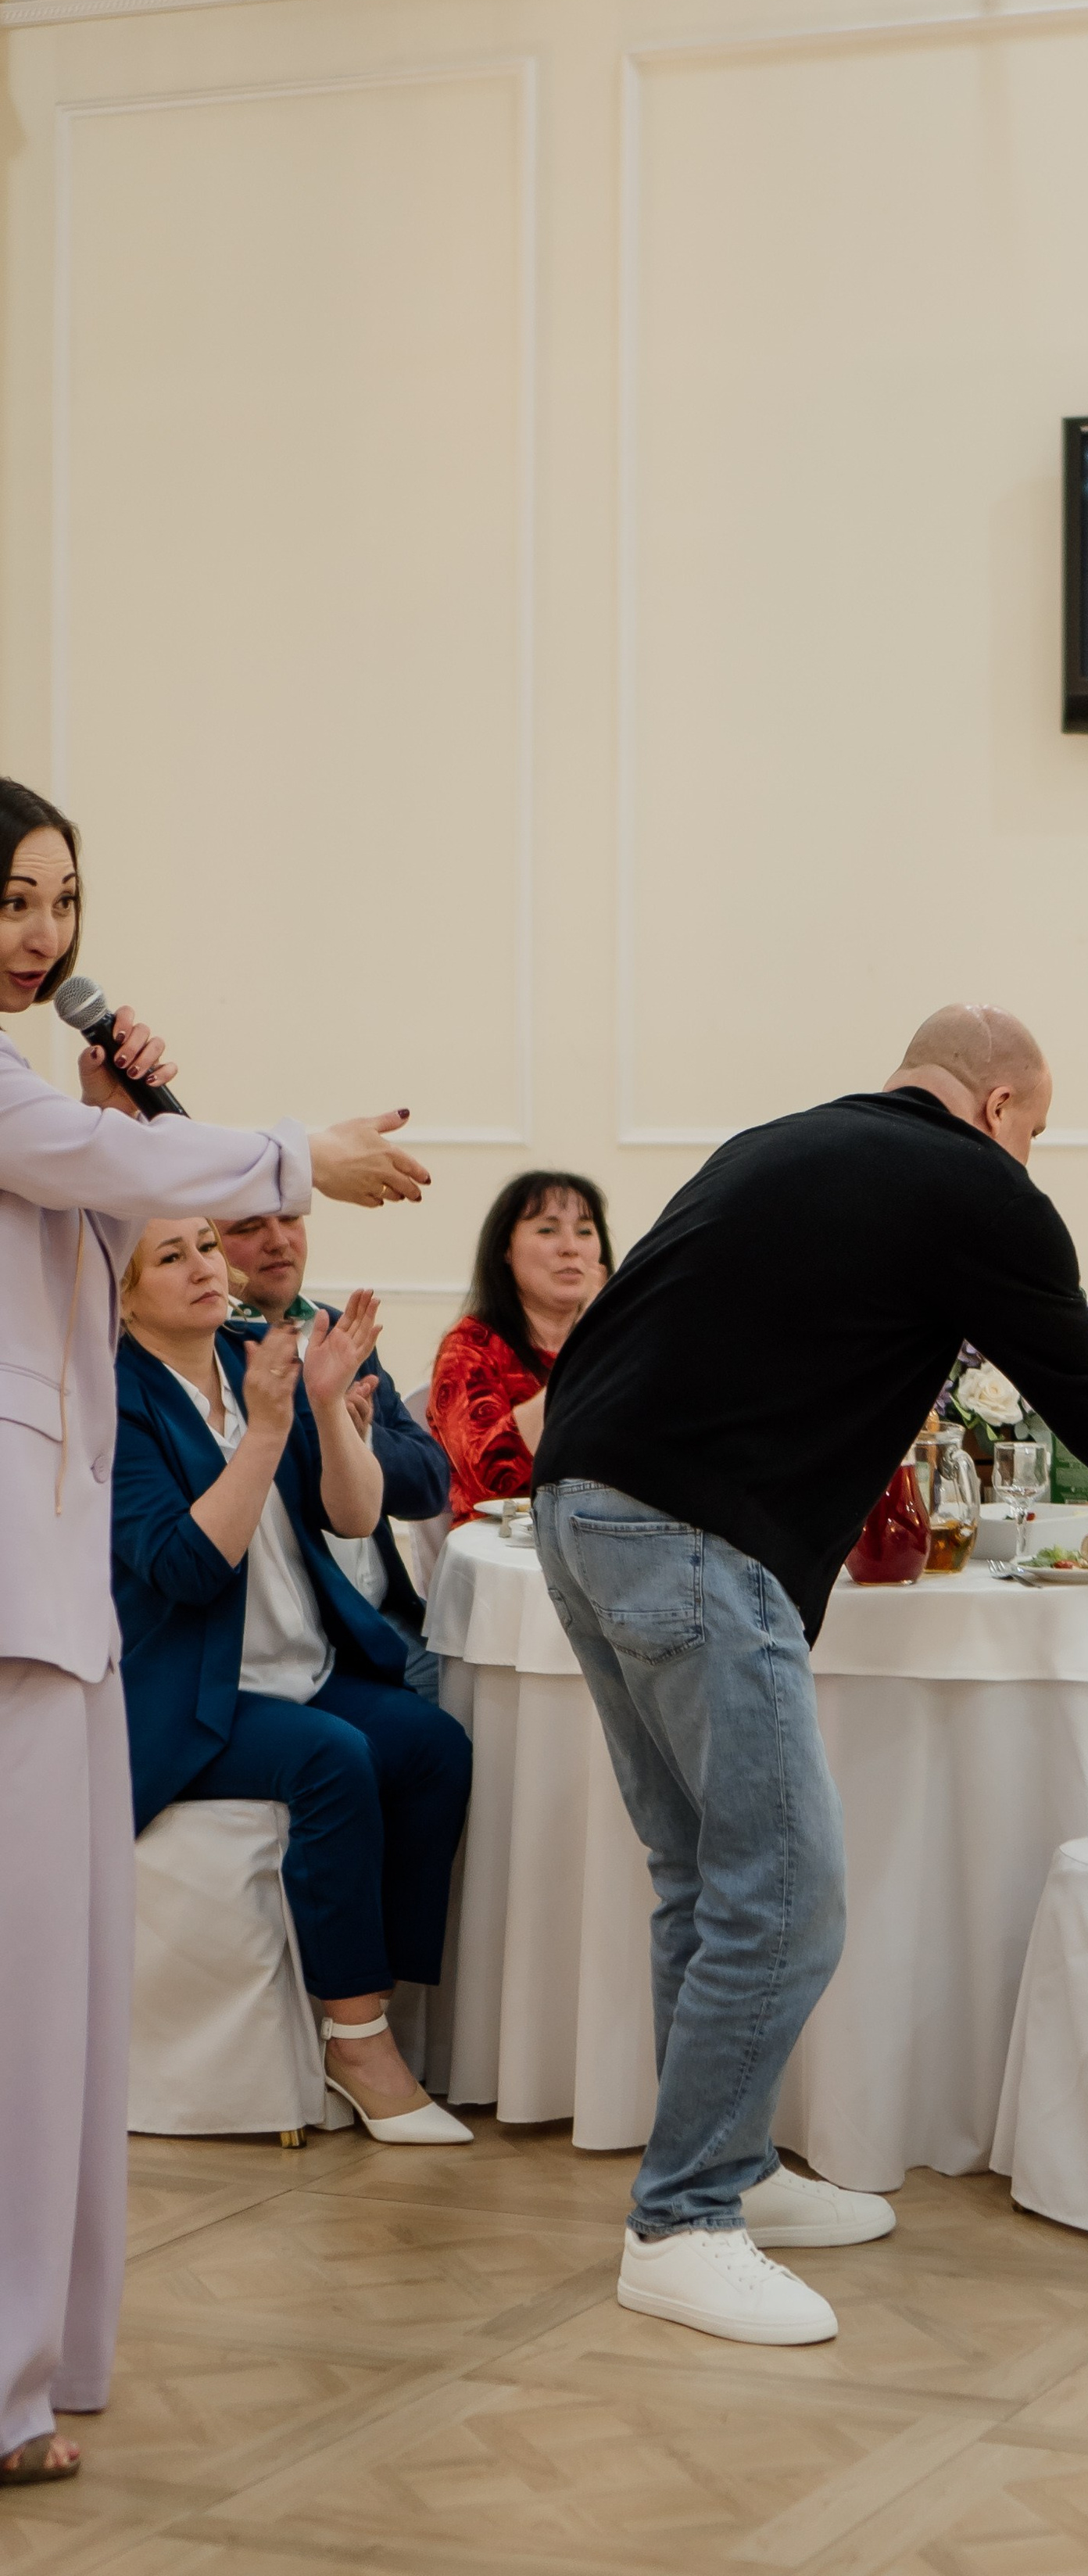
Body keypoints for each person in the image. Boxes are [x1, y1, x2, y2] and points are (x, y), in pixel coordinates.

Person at [533, 1004, 1088, 2350]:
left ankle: (731, 2165)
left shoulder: (781, 1144)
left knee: (704, 1874)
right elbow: (1082, 1385)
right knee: (787, 1890)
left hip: (578, 1507)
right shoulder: (979, 1189)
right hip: (694, 1532)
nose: (1031, 1160)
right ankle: (684, 2220)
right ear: (995, 1109)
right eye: (1035, 1131)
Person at [0, 775, 426, 2494]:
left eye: (61, 902)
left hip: (55, 1604)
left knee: (63, 1990)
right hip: (17, 1590)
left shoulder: (42, 1098)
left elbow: (85, 1228)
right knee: (25, 1995)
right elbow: (90, 1171)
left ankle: (37, 2357)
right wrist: (284, 1153)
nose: (45, 935)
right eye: (14, 901)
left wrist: (125, 1125)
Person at [114, 1217, 473, 2144]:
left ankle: (373, 2001)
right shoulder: (118, 1398)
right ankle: (357, 2041)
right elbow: (188, 1567)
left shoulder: (249, 1355)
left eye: (204, 1245)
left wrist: (320, 1412)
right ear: (122, 1290)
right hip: (185, 1698)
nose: (206, 1267)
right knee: (333, 1761)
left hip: (301, 1667)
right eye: (173, 1256)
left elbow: (352, 1519)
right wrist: (269, 1429)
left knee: (432, 1749)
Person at [218, 1208, 450, 1697]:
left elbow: (429, 1484)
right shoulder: (212, 1352)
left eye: (290, 1219)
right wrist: (322, 1414)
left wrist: (355, 1436)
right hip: (304, 1645)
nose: (279, 1241)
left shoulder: (338, 1329)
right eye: (247, 1226)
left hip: (387, 1617)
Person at [428, 1172, 612, 1523]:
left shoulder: (625, 1344)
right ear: (506, 1250)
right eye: (547, 1230)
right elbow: (491, 1479)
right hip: (504, 1551)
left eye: (585, 1231)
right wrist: (587, 1345)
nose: (570, 1246)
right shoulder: (470, 1346)